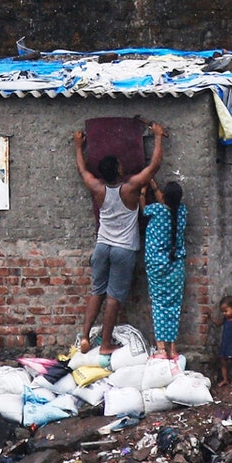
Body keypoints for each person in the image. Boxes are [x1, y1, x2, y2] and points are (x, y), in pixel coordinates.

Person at [73, 122, 166, 355]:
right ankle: (105, 344)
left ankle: (85, 336)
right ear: (119, 171)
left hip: (102, 246)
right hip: (123, 249)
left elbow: (83, 171)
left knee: (97, 291)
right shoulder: (130, 188)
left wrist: (78, 146)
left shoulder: (97, 188)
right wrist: (158, 137)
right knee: (113, 298)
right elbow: (154, 166)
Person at [142, 180, 187, 359]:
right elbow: (168, 205)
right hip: (176, 265)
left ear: (164, 198)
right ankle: (173, 348)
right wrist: (155, 186)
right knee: (174, 306)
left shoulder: (156, 211)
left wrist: (144, 192)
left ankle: (161, 349)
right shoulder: (182, 212)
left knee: (159, 304)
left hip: (157, 265)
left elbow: (143, 209)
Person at [212, 295, 232, 387]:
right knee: (223, 361)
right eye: (222, 312)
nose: (224, 313)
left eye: (226, 311)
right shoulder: (225, 319)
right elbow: (218, 324)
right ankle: (225, 379)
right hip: (225, 343)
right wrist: (210, 317)